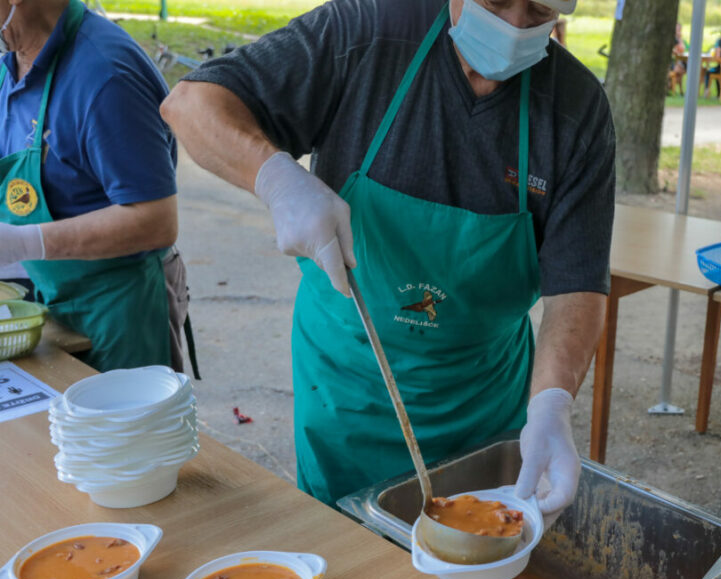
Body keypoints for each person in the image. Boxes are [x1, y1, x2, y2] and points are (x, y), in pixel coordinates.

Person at [161, 0, 614, 514]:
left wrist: (552, 402)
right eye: (494, 2)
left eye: (536, 11)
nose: (512, 27)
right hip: (347, 385)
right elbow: (190, 104)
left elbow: (576, 285)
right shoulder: (367, 32)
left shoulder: (577, 109)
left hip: (483, 401)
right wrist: (276, 178)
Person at [0, 0, 181, 373]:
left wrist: (25, 242)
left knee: (124, 429)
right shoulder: (13, 58)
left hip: (119, 307)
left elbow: (156, 220)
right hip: (50, 298)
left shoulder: (106, 77)